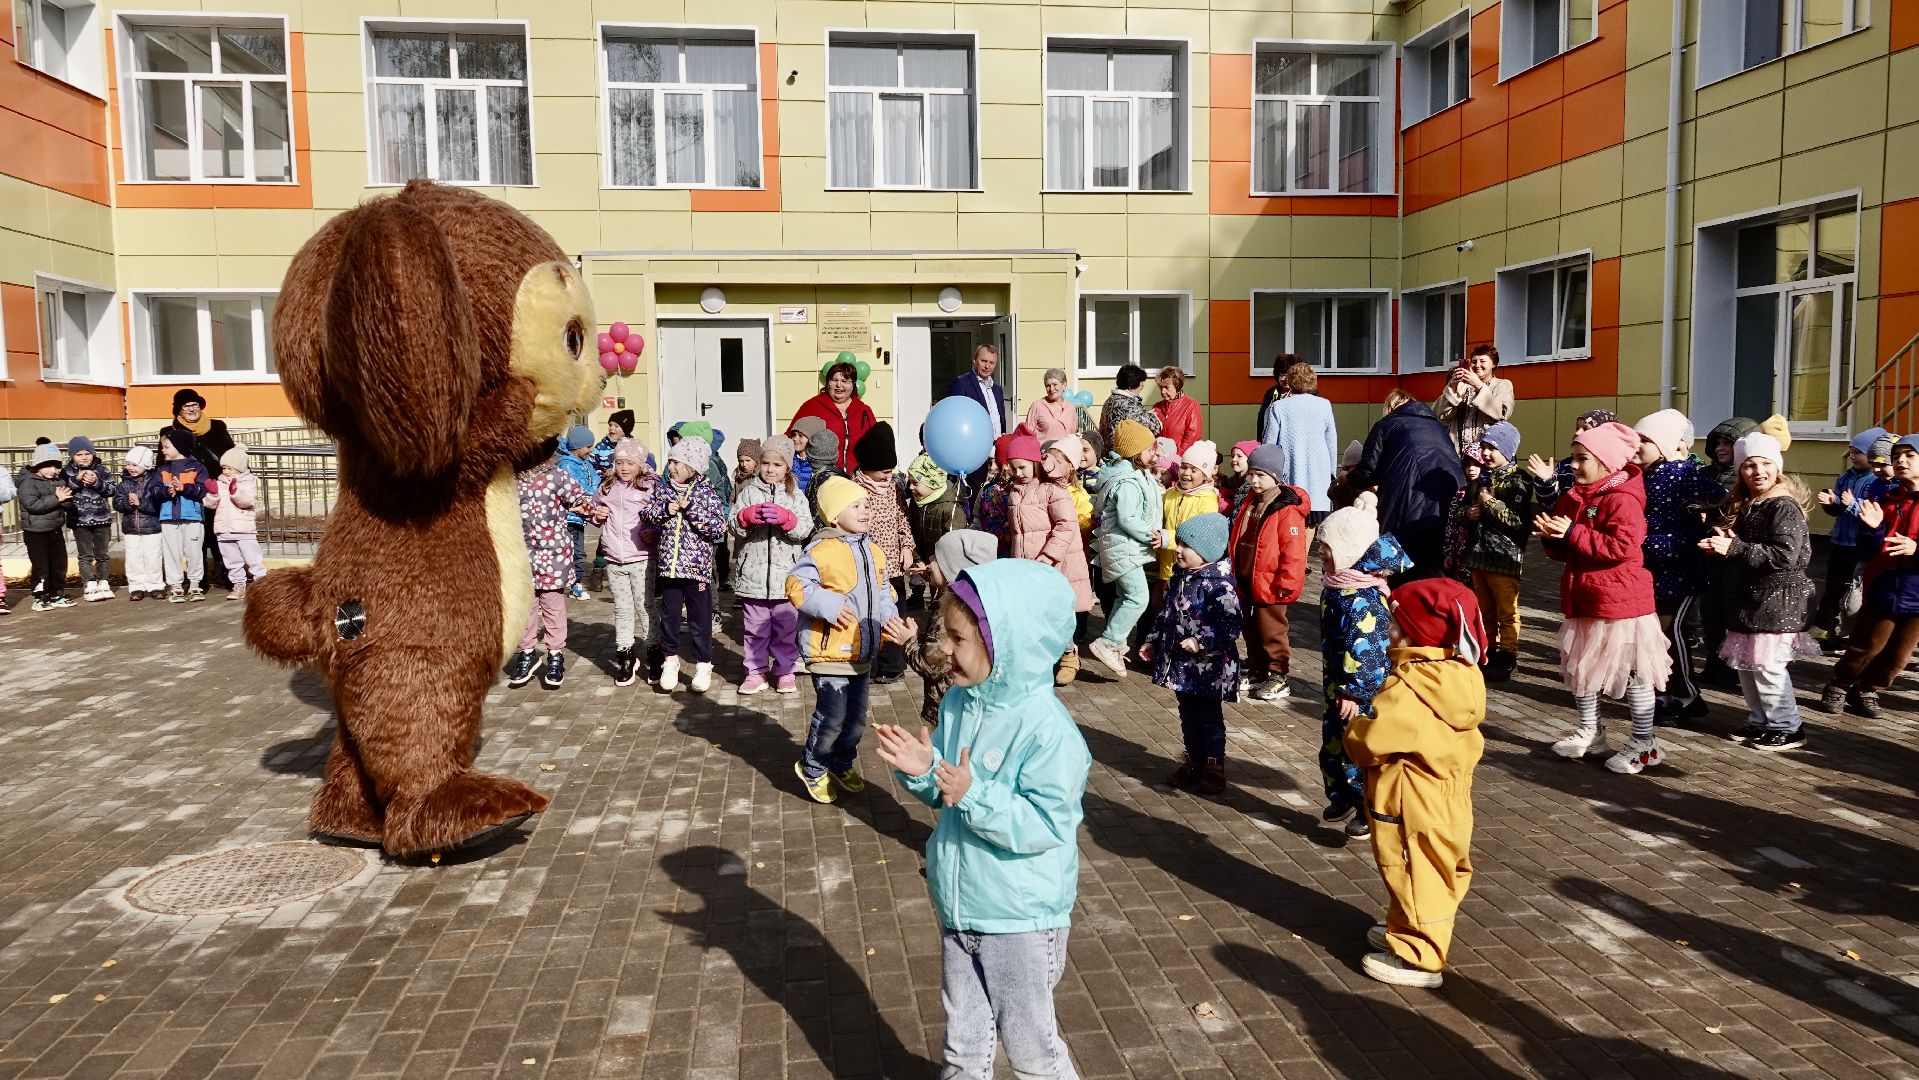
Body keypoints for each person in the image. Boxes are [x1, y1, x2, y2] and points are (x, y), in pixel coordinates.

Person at [869, 559, 1090, 1080]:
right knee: (964, 1046)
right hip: (960, 904)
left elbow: (1046, 827)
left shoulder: (1049, 732)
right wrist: (923, 772)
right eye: (942, 635)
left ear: (1006, 642)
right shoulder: (961, 703)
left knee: (1033, 1051)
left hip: (1018, 918)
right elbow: (945, 788)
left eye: (957, 637)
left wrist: (972, 794)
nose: (944, 649)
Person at [1346, 577, 1487, 989]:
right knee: (1437, 867)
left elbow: (1373, 740)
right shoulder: (1459, 674)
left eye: (1395, 623)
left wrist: (1355, 730)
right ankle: (1406, 924)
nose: (1388, 629)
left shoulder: (1410, 685)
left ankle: (1420, 953)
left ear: (1415, 632)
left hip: (1412, 799)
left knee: (1411, 868)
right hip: (1446, 795)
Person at [1534, 421, 1672, 774]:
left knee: (1633, 673)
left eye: (1582, 459)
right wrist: (1552, 535)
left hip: (1620, 601)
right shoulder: (1575, 496)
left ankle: (1645, 742)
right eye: (1574, 458)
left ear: (1606, 462)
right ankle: (1591, 731)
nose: (1574, 466)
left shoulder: (1622, 499)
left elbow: (1622, 548)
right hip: (1586, 597)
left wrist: (1573, 532)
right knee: (1583, 666)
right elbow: (1566, 548)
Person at [787, 476, 915, 803]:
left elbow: (885, 590)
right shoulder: (821, 549)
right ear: (833, 516)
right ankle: (813, 766)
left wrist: (888, 617)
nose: (865, 510)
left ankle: (842, 763)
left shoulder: (874, 551)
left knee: (856, 719)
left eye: (866, 505)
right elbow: (797, 586)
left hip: (864, 652)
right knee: (832, 717)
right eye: (855, 506)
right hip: (829, 652)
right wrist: (829, 605)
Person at [1698, 431, 1814, 751]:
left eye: (1765, 464)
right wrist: (1723, 544)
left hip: (1777, 599)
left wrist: (1734, 548)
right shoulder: (1750, 504)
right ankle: (1760, 719)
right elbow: (1745, 548)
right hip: (1752, 597)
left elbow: (1785, 556)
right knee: (1747, 665)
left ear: (1777, 468)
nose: (1757, 471)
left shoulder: (1783, 506)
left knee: (1767, 667)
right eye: (1749, 465)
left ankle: (1788, 726)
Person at [1316, 493, 1413, 839]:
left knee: (1358, 749)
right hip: (1337, 685)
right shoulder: (1339, 586)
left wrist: (1354, 693)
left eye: (1327, 547)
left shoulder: (1363, 599)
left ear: (1348, 551)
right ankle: (1342, 795)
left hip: (1357, 693)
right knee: (1334, 743)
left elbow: (1371, 654)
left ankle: (1368, 808)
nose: (1320, 553)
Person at [1631, 409, 1726, 721]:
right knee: (1655, 636)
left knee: (1671, 633)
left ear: (1663, 446)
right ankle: (1665, 693)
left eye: (1644, 440)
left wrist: (1711, 524)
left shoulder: (1681, 473)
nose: (1636, 446)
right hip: (1651, 571)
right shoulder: (1642, 476)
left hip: (1680, 572)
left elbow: (1721, 499)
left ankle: (1687, 696)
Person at [1141, 513, 1241, 795]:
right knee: (1187, 714)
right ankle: (1193, 759)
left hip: (1210, 667)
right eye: (1179, 542)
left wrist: (1201, 642)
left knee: (1209, 716)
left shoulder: (1220, 586)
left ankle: (1213, 766)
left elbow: (1230, 626)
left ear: (1207, 551)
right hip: (1183, 665)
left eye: (1186, 545)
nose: (1178, 549)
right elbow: (1166, 615)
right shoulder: (1180, 577)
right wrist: (1153, 639)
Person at [1822, 434, 1919, 719]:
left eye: (1909, 455)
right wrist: (1872, 529)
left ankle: (1867, 690)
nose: (1900, 461)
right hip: (1884, 586)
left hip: (1916, 594)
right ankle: (1838, 685)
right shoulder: (1885, 498)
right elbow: (1868, 549)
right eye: (1896, 456)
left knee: (1898, 657)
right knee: (1865, 647)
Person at [1004, 432, 1094, 685]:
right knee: (1031, 615)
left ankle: (1068, 654)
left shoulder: (1053, 489)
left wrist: (1048, 555)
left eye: (1022, 466)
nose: (1018, 472)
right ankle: (1037, 661)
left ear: (1035, 463)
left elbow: (1067, 525)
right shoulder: (1014, 493)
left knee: (1055, 614)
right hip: (1024, 565)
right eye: (1013, 468)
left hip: (1051, 565)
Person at [1349, 391, 1466, 581]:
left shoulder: (1386, 425)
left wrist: (1349, 478)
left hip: (1408, 501)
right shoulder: (1437, 426)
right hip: (1450, 498)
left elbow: (1367, 472)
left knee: (1401, 564)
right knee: (1435, 565)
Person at [645, 432, 730, 693]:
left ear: (692, 468)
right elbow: (648, 513)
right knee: (669, 617)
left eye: (676, 464)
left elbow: (717, 529)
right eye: (669, 462)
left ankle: (703, 664)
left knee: (699, 619)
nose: (670, 468)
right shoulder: (664, 489)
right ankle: (670, 662)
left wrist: (690, 510)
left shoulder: (707, 494)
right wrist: (664, 510)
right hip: (670, 569)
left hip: (697, 572)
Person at [504, 448, 593, 690]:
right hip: (521, 552)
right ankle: (527, 651)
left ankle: (555, 654)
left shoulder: (556, 475)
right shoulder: (511, 479)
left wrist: (590, 508)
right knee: (525, 607)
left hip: (552, 552)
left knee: (552, 605)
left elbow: (580, 496)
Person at [731, 435, 813, 695]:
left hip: (785, 579)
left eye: (777, 465)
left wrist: (788, 520)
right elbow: (732, 524)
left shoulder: (795, 495)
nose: (770, 469)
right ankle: (755, 672)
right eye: (765, 463)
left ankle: (785, 670)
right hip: (753, 577)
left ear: (787, 467)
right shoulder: (749, 492)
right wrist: (744, 518)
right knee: (754, 630)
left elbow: (805, 527)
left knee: (786, 629)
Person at [1229, 445, 1310, 702]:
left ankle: (1277, 674)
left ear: (1275, 477)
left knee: (1272, 630)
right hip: (1247, 577)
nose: (1254, 480)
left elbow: (1294, 552)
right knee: (1251, 628)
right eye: (1251, 473)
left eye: (1260, 475)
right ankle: (1257, 669)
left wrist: (1287, 582)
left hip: (1271, 583)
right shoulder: (1251, 501)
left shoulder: (1286, 509)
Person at [1086, 420, 1164, 678]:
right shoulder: (1127, 481)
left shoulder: (1137, 474)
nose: (1155, 452)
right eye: (1149, 448)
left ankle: (1117, 645)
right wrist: (1149, 534)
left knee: (1126, 597)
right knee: (1138, 597)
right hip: (1123, 547)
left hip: (1126, 548)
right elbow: (1128, 518)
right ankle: (1108, 642)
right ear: (1134, 452)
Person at [903, 529, 999, 728]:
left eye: (935, 560)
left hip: (946, 708)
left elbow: (931, 666)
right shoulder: (980, 601)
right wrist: (934, 574)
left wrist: (908, 641)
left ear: (950, 570)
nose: (929, 564)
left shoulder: (950, 609)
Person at [1458, 422, 1531, 682]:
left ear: (1507, 450)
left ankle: (1507, 654)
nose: (1486, 454)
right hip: (1479, 557)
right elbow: (1461, 511)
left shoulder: (1519, 481)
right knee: (1484, 611)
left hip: (1504, 560)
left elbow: (1518, 522)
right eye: (1484, 448)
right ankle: (1486, 649)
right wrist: (1467, 514)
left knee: (1506, 612)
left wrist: (1491, 503)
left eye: (1492, 448)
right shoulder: (1482, 479)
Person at [1812, 427, 1892, 651]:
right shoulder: (1847, 476)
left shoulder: (1875, 481)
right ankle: (1825, 629)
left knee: (1854, 590)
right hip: (1840, 541)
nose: (1853, 456)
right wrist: (1831, 504)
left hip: (1860, 545)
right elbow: (1838, 510)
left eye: (1859, 451)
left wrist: (1850, 505)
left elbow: (1873, 516)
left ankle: (1851, 633)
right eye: (1851, 451)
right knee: (1833, 587)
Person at [850, 423, 915, 684]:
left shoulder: (894, 489)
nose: (887, 478)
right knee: (867, 612)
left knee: (894, 613)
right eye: (882, 473)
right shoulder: (854, 490)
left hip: (893, 567)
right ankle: (869, 662)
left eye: (891, 472)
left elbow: (902, 519)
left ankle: (893, 663)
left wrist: (907, 546)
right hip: (866, 565)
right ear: (867, 469)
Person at [594, 438, 659, 688]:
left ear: (640, 465)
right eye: (619, 462)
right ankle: (625, 655)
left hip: (642, 556)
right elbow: (596, 510)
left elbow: (660, 515)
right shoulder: (608, 486)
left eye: (630, 463)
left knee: (645, 606)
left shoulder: (648, 487)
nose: (624, 468)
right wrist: (597, 515)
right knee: (622, 608)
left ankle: (654, 651)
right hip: (614, 557)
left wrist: (654, 531)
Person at [1259, 361, 1340, 527]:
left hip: (1290, 475)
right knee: (1312, 522)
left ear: (1291, 381)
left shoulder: (1279, 407)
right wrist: (1331, 472)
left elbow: (1270, 444)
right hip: (1318, 476)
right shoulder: (1324, 405)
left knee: (1290, 522)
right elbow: (1331, 441)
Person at [204, 445, 268, 601]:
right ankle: (238, 584)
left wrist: (235, 492)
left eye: (230, 468)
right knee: (232, 560)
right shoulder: (220, 483)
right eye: (224, 468)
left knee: (253, 558)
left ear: (239, 468)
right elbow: (210, 504)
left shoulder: (248, 482)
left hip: (243, 529)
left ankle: (262, 583)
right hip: (224, 530)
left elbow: (246, 501)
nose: (226, 471)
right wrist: (212, 494)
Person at [792, 360, 879, 473]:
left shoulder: (864, 410)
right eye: (834, 380)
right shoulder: (811, 406)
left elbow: (877, 444)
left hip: (858, 478)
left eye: (845, 381)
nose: (839, 385)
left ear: (853, 384)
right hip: (821, 477)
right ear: (827, 383)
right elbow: (789, 437)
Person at [60, 436, 117, 601]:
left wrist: (97, 482)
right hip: (79, 520)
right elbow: (63, 488)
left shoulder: (102, 470)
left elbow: (112, 490)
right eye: (79, 454)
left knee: (102, 554)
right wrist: (77, 480)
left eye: (87, 453)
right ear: (72, 456)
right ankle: (89, 584)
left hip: (102, 519)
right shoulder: (67, 472)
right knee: (85, 555)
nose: (84, 457)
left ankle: (104, 581)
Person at [18, 445, 75, 610]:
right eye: (48, 465)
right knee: (41, 565)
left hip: (55, 528)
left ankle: (56, 593)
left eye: (57, 466)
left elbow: (67, 501)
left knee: (58, 563)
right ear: (38, 465)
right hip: (36, 532)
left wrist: (66, 501)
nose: (53, 470)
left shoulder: (58, 481)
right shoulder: (28, 482)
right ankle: (40, 597)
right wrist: (56, 498)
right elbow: (32, 505)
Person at [156, 430, 210, 602]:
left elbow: (203, 490)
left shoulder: (197, 467)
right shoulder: (162, 469)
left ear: (179, 447)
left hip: (193, 517)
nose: (162, 450)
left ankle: (195, 584)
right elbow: (154, 490)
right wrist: (166, 491)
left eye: (166, 447)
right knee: (171, 552)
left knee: (194, 552)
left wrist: (184, 488)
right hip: (168, 517)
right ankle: (176, 586)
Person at [1432, 344, 1514, 455]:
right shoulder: (1462, 386)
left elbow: (1502, 413)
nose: (1477, 365)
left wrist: (1479, 386)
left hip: (1485, 456)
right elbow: (1438, 414)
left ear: (1493, 364)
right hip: (1457, 454)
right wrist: (1453, 387)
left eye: (1482, 361)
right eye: (1474, 362)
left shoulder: (1502, 385)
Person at [1524, 408, 1616, 505]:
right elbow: (1552, 504)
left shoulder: (1615, 470)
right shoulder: (1565, 465)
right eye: (1577, 428)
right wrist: (1547, 482)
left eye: (1586, 429)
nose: (1577, 433)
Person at [115, 446, 165, 601]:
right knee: (133, 559)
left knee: (153, 557)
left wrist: (140, 503)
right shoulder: (123, 484)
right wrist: (128, 504)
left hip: (152, 528)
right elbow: (117, 503)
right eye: (128, 464)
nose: (130, 468)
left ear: (146, 465)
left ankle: (155, 585)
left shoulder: (155, 483)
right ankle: (136, 586)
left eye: (134, 464)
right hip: (131, 529)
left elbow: (158, 505)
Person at [557, 425, 600, 600]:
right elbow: (577, 489)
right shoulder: (567, 465)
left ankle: (575, 582)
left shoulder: (585, 463)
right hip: (570, 517)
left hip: (579, 517)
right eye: (588, 446)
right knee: (574, 552)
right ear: (577, 446)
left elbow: (595, 480)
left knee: (578, 552)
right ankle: (574, 584)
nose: (591, 450)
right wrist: (594, 493)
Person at [1097, 364, 1162, 453]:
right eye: (1141, 385)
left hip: (1108, 452)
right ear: (1131, 386)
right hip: (1122, 454)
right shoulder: (1127, 403)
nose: (1142, 388)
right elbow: (1150, 427)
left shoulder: (1110, 400)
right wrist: (1152, 416)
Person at [946, 342, 1009, 433]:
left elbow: (1000, 420)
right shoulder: (962, 383)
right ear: (975, 360)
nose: (987, 366)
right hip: (975, 443)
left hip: (997, 443)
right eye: (983, 361)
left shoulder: (997, 390)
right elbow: (953, 416)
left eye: (991, 363)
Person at [1150, 366, 1202, 453]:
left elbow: (1192, 437)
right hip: (1159, 460)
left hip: (1180, 461)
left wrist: (1176, 456)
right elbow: (1151, 436)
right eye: (1161, 387)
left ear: (1177, 386)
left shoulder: (1191, 405)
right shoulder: (1157, 407)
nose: (1163, 391)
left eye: (1167, 387)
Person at [1026, 368, 1078, 443]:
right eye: (1048, 386)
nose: (1051, 389)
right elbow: (1027, 435)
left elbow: (1074, 435)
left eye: (1055, 384)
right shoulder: (1037, 405)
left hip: (1065, 453)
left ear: (1064, 385)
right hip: (1042, 453)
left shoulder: (1071, 407)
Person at [590, 409, 636, 478]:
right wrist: (603, 474)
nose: (611, 428)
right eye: (610, 425)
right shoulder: (600, 447)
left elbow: (639, 467)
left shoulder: (633, 447)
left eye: (616, 426)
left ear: (625, 430)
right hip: (606, 485)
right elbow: (590, 467)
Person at [788, 415, 827, 490]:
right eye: (794, 435)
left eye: (800, 435)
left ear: (813, 439)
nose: (795, 439)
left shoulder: (818, 465)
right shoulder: (788, 459)